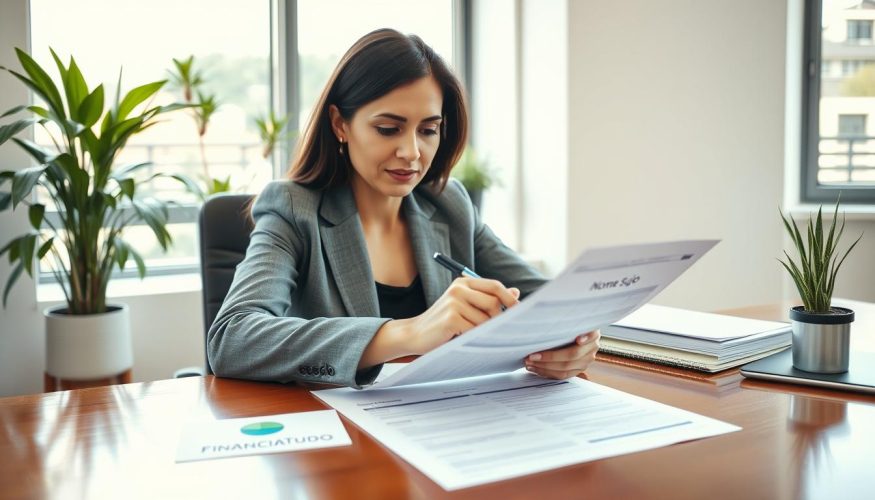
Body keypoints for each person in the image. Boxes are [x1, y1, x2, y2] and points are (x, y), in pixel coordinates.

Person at [207, 29, 600, 388]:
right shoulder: (294, 208)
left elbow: (548, 301)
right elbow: (231, 339)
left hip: (440, 427)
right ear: (340, 124)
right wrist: (408, 332)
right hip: (339, 438)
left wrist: (571, 337)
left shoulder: (448, 204)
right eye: (388, 128)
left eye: (428, 130)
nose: (412, 152)